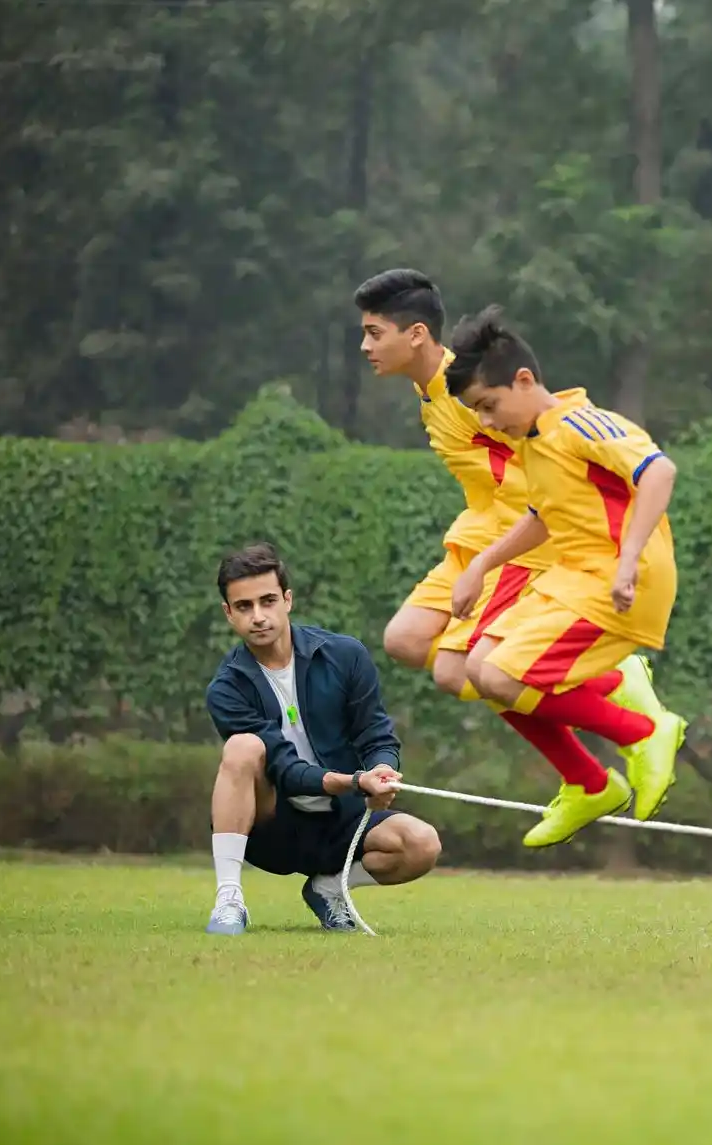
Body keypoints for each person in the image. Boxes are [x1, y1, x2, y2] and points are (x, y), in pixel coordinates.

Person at [443, 306, 687, 848]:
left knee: (505, 676)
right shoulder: (534, 441)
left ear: (524, 380)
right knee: (476, 669)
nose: (486, 420)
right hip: (575, 576)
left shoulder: (582, 422)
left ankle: (643, 732)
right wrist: (481, 564)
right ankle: (589, 781)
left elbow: (660, 471)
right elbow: (542, 516)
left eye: (489, 405)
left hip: (622, 581)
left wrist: (627, 561)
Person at [203, 543, 441, 935]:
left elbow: (376, 733)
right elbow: (285, 768)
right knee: (242, 747)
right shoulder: (226, 688)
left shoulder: (346, 655)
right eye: (244, 607)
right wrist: (352, 781)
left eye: (268, 601)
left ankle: (328, 889)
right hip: (272, 827)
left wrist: (383, 768)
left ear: (288, 600)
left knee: (422, 844)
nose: (259, 617)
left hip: (341, 822)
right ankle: (229, 898)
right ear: (229, 613)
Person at [354, 269, 570, 699]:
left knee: (460, 674)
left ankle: (612, 692)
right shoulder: (429, 391)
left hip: (520, 540)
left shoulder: (468, 392)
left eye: (374, 334)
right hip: (479, 531)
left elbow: (550, 428)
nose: (365, 347)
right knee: (405, 640)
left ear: (416, 334)